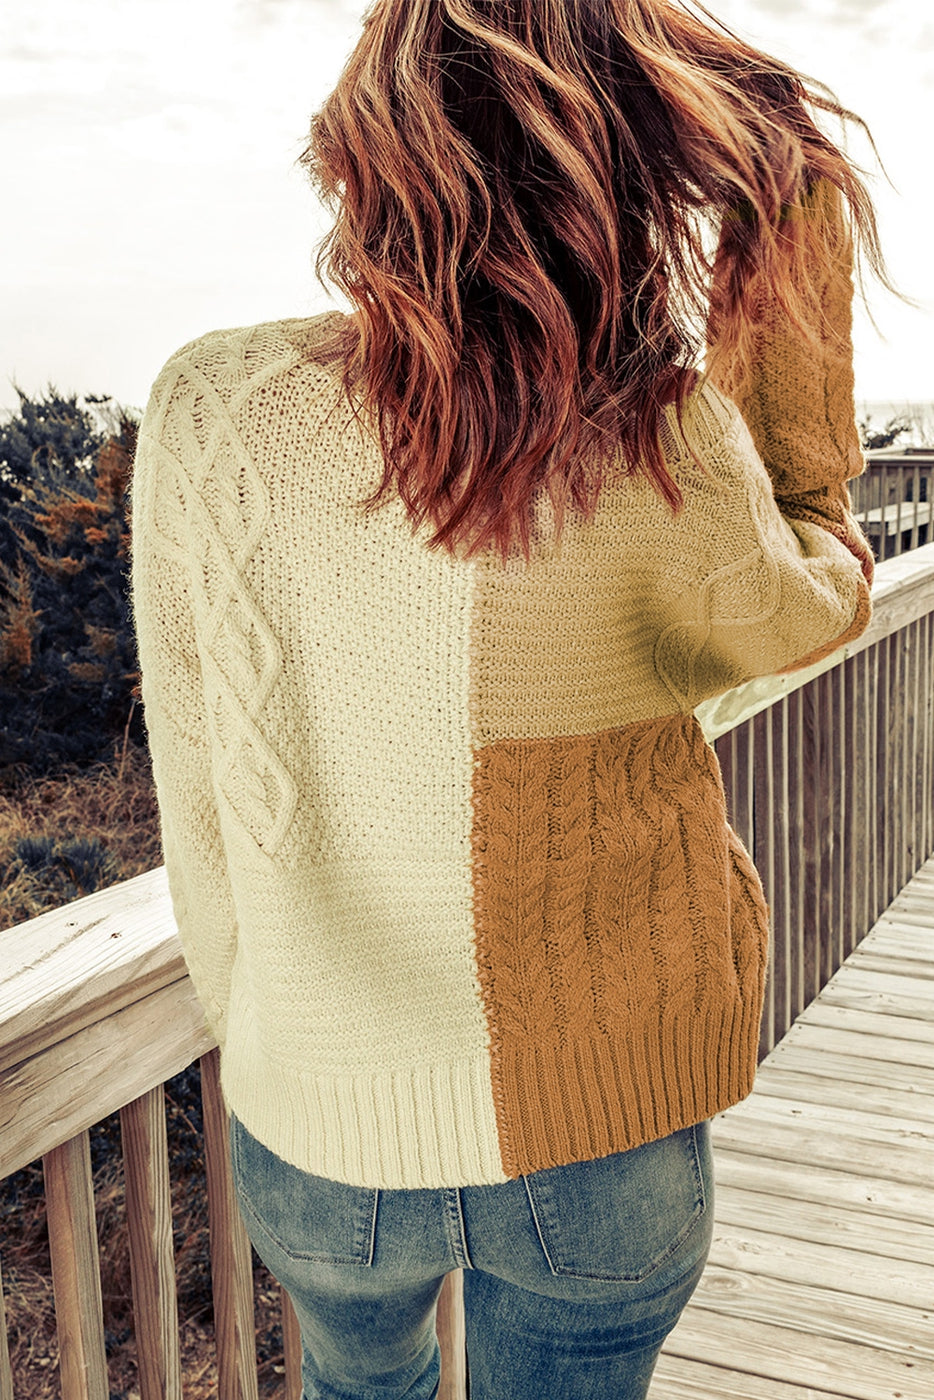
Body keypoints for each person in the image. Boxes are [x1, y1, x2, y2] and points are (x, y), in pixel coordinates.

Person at [130, 2, 886, 1395]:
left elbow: (197, 781)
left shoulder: (214, 410)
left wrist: (276, 1045)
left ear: (362, 155)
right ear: (630, 178)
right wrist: (795, 245)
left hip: (315, 1120)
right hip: (598, 1134)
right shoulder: (660, 438)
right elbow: (810, 604)